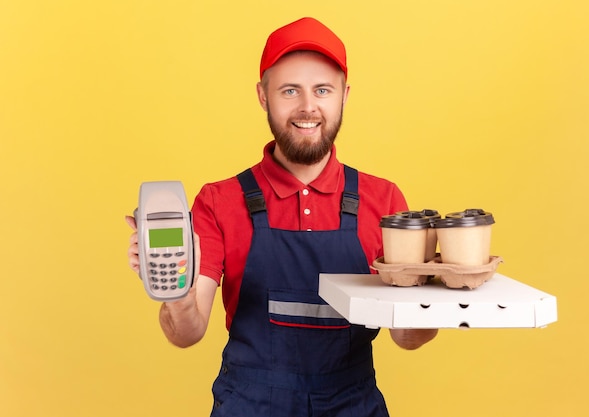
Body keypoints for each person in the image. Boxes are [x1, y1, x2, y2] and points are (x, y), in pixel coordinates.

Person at [126, 17, 438, 417]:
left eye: (322, 90)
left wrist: (432, 294)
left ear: (344, 95)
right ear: (263, 96)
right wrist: (177, 295)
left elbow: (407, 338)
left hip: (352, 404)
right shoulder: (219, 201)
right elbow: (187, 334)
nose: (308, 107)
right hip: (249, 404)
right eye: (290, 90)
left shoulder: (384, 200)